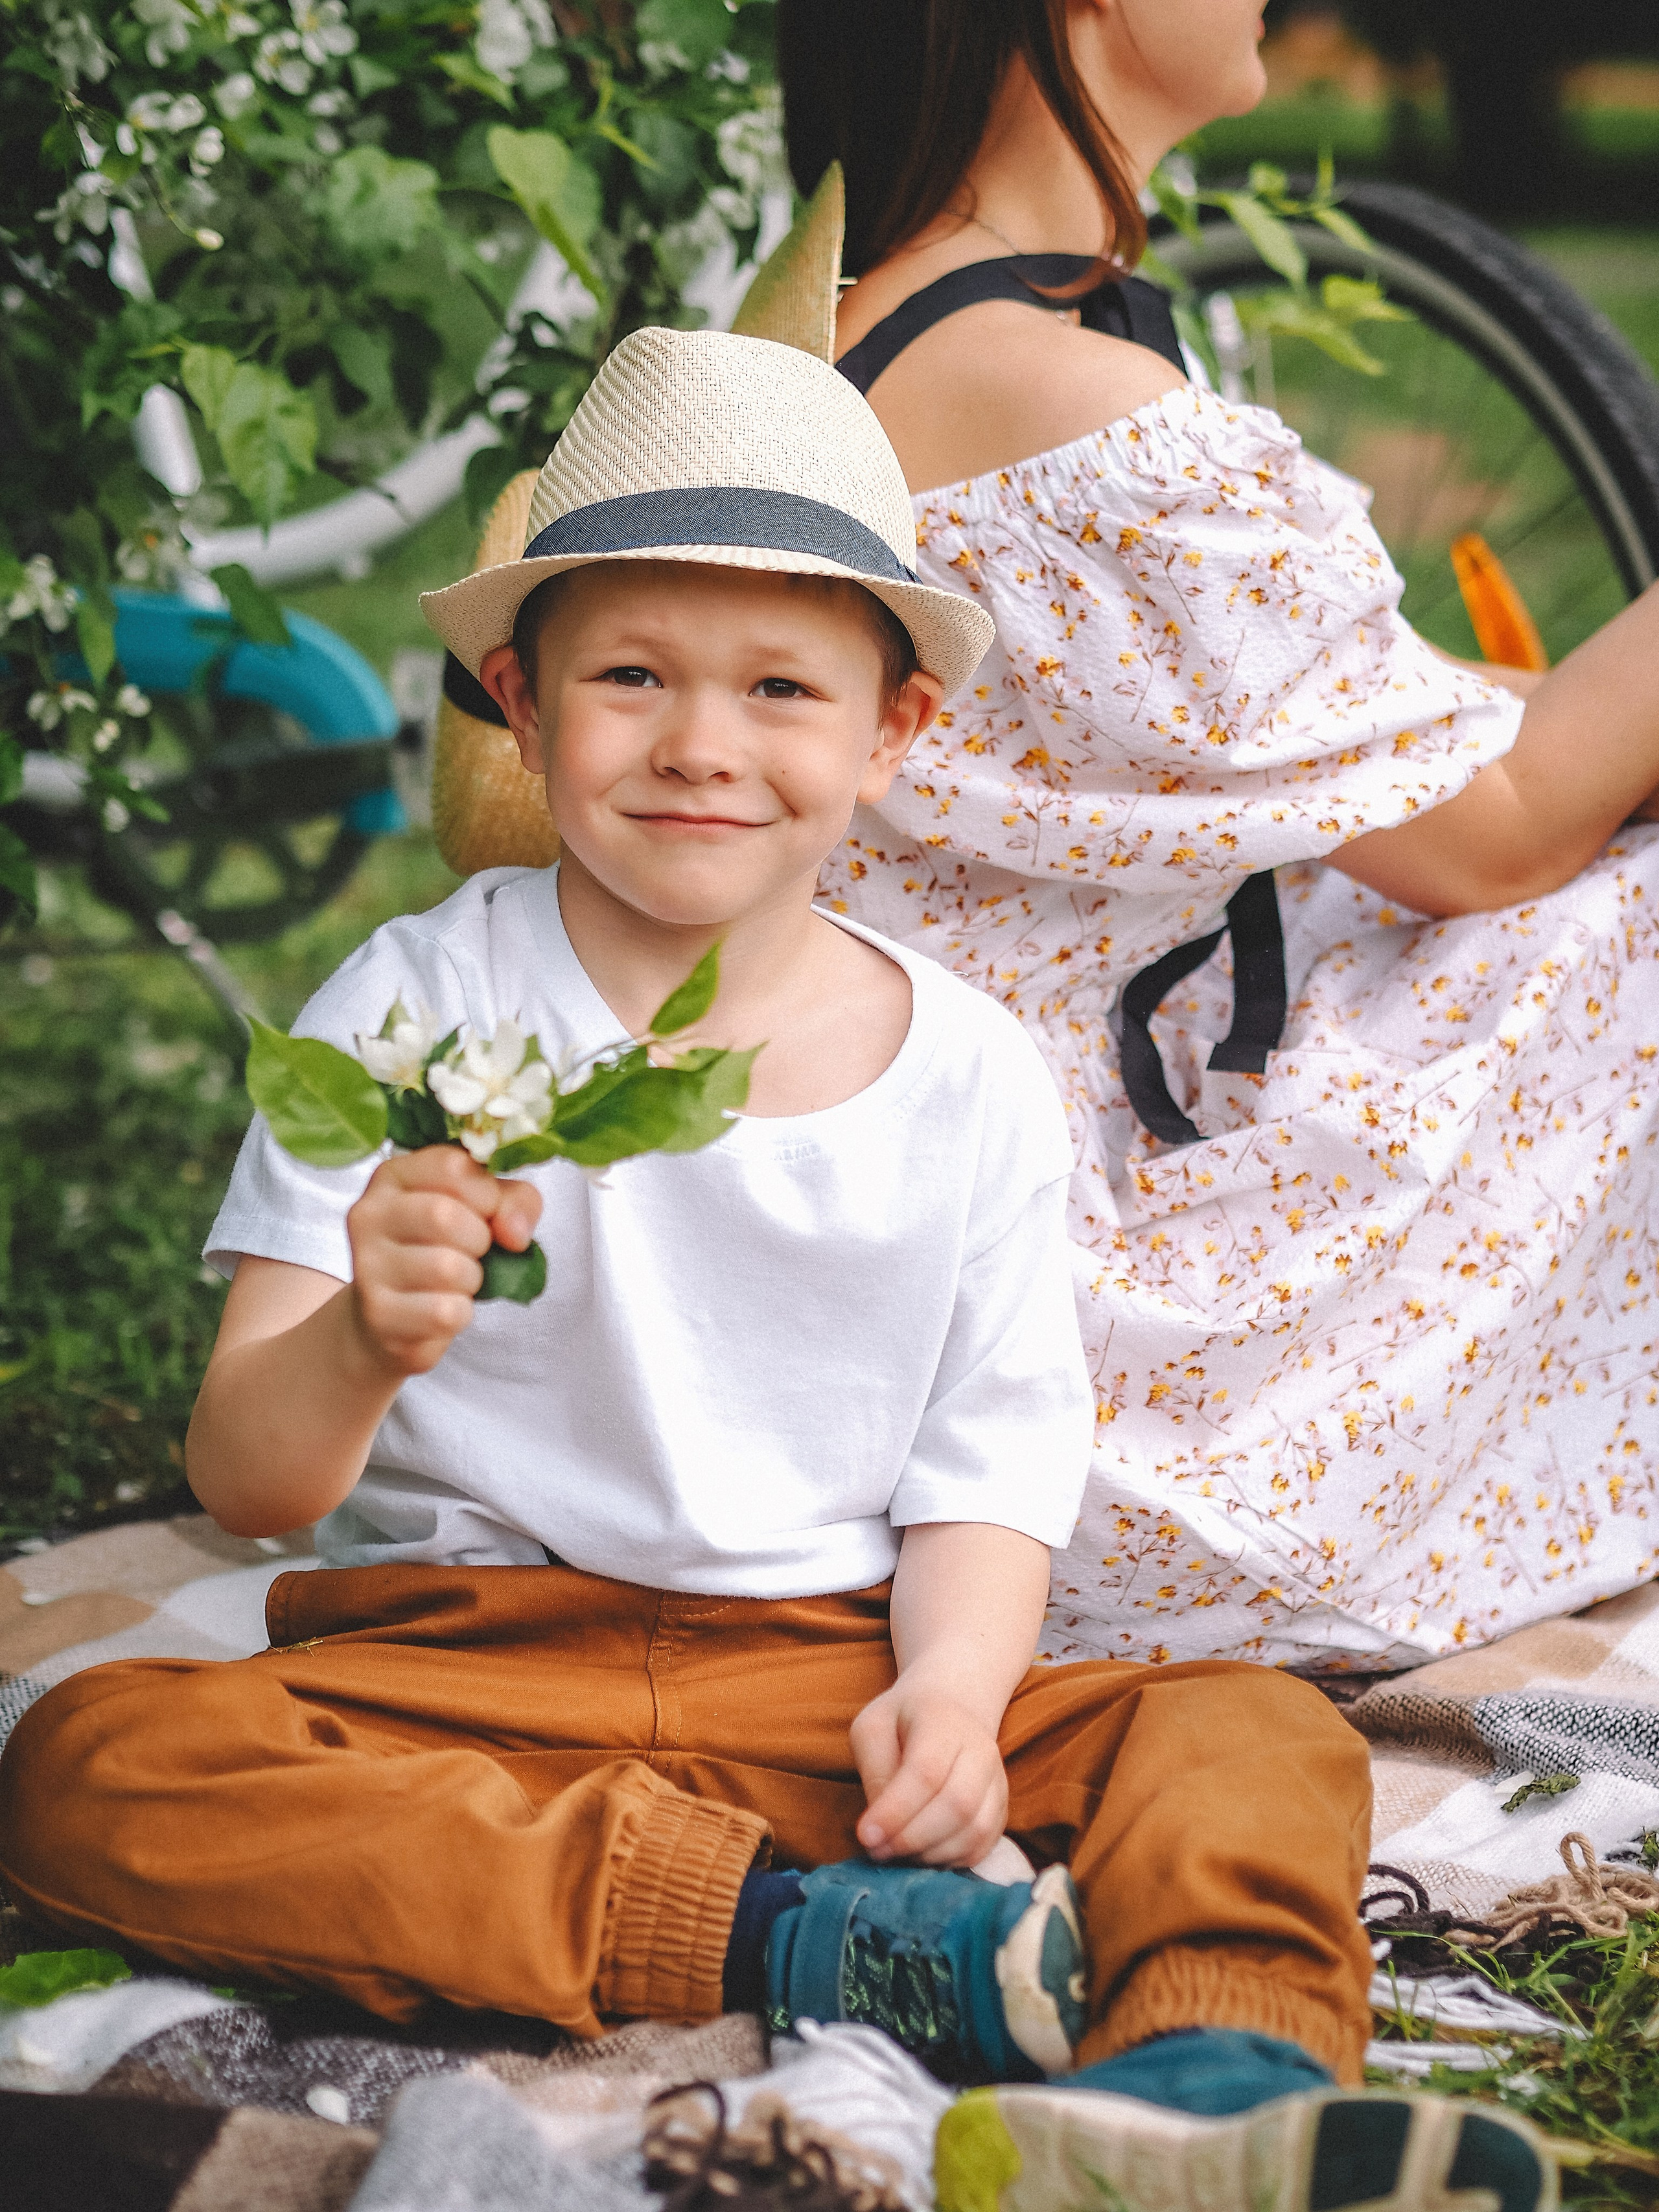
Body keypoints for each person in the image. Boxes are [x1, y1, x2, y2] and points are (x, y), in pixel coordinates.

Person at [0, 325, 1546, 2209]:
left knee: (1246, 1729)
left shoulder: (967, 1073)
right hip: (463, 1669)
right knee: (92, 1756)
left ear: (893, 730)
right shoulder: (415, 1009)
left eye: (782, 688)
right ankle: (812, 1946)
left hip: (824, 1682)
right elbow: (249, 1479)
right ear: (521, 699)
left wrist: (952, 1704)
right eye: (631, 675)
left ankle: (1209, 2082)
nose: (701, 744)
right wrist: (364, 1336)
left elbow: (988, 1466)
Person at [777, 0, 1659, 1684]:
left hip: (927, 1344)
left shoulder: (883, 332)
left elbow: (1402, 725)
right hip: (1097, 1418)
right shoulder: (1060, 400)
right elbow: (1497, 836)